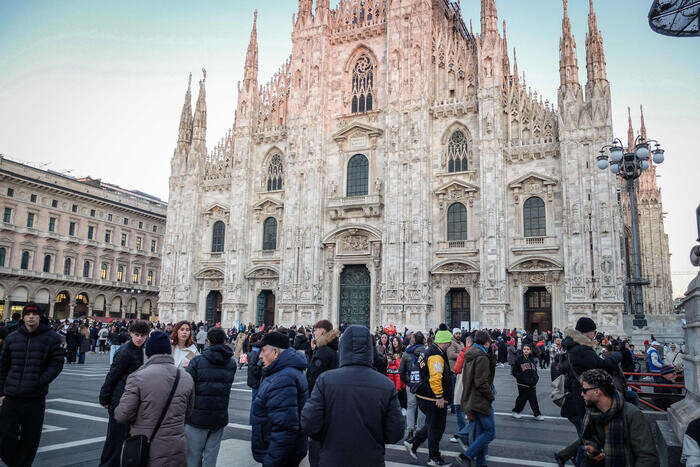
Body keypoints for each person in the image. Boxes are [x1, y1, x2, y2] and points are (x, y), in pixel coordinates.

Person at [301, 324, 404, 466]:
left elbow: (309, 423)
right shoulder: (386, 385)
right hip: (371, 460)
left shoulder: (325, 381)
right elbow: (395, 432)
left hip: (332, 460)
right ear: (370, 349)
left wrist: (327, 438)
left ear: (343, 348)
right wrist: (374, 438)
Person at [114, 331, 195, 466]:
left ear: (149, 351)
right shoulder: (186, 377)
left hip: (148, 448)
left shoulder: (138, 377)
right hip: (177, 448)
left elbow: (123, 415)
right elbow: (188, 412)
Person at [0, 303, 64, 467]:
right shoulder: (12, 338)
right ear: (23, 317)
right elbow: (2, 366)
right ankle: (15, 462)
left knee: (31, 438)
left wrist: (39, 381)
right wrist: (1, 391)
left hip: (34, 397)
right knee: (5, 437)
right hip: (12, 396)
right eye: (27, 314)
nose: (30, 317)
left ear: (40, 316)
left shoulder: (51, 338)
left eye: (34, 314)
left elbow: (56, 364)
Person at [555, 317, 622, 465]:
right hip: (581, 400)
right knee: (590, 440)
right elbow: (602, 365)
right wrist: (617, 356)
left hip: (575, 399)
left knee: (588, 436)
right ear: (587, 332)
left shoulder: (572, 347)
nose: (595, 334)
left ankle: (564, 456)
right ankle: (578, 461)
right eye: (594, 331)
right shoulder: (582, 349)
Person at [576, 369, 658, 466]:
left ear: (597, 391)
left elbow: (647, 457)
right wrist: (593, 451)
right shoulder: (592, 413)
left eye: (584, 390)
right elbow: (591, 441)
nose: (582, 394)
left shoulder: (632, 414)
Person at [251, 332, 308, 467]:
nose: (260, 355)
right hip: (283, 452)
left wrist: (272, 461)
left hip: (280, 456)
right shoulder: (284, 372)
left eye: (263, 350)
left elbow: (285, 428)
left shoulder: (283, 379)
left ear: (275, 352)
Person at [98, 320, 149, 467]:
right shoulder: (126, 352)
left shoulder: (137, 350)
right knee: (115, 439)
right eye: (137, 335)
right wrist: (104, 398)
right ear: (131, 334)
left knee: (121, 437)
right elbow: (112, 375)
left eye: (143, 335)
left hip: (128, 400)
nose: (139, 338)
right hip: (119, 400)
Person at [185, 327, 236, 467]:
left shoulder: (197, 362)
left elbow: (187, 387)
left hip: (196, 417)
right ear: (225, 341)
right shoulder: (232, 363)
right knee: (211, 457)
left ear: (207, 341)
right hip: (219, 416)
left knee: (193, 457)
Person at [405, 329, 454, 466]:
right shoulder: (436, 355)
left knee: (431, 424)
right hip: (432, 398)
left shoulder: (429, 350)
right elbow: (435, 378)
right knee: (436, 427)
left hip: (424, 395)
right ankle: (434, 457)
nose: (450, 345)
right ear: (444, 342)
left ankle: (413, 443)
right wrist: (439, 396)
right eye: (449, 343)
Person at [455, 330, 496, 467]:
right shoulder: (482, 357)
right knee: (490, 432)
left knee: (480, 433)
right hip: (480, 400)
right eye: (489, 342)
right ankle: (466, 455)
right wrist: (491, 395)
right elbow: (481, 382)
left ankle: (481, 464)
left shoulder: (470, 354)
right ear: (486, 342)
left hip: (470, 398)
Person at [399, 331, 427, 443]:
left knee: (410, 406)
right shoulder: (427, 352)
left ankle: (410, 430)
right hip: (422, 384)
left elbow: (401, 370)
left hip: (411, 383)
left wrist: (407, 382)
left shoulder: (407, 353)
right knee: (421, 407)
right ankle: (419, 431)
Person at [511, 343, 543, 420]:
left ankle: (537, 414)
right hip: (522, 383)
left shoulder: (532, 359)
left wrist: (536, 378)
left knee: (533, 399)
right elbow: (514, 371)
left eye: (527, 349)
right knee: (522, 398)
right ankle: (515, 412)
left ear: (530, 350)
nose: (526, 350)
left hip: (532, 383)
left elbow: (534, 371)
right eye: (524, 349)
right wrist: (521, 378)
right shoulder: (519, 359)